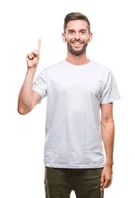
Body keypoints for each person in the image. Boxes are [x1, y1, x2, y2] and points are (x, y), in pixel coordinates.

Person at [17, 12, 119, 198]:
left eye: (82, 32)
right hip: (57, 165)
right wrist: (31, 70)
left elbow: (107, 121)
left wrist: (109, 164)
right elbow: (24, 108)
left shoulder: (103, 74)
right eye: (71, 32)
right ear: (64, 37)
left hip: (91, 166)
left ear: (90, 36)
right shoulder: (50, 74)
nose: (77, 37)